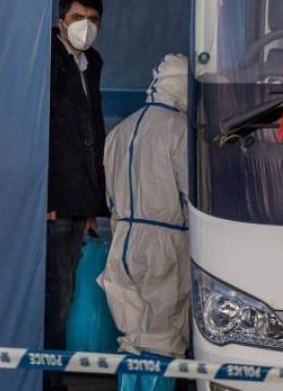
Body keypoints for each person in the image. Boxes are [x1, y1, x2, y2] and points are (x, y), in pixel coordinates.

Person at [98, 54, 190, 391]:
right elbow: (190, 195)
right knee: (162, 339)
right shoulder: (178, 131)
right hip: (164, 246)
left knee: (131, 338)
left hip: (121, 241)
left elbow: (107, 194)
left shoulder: (120, 131)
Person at [45, 0, 108, 391]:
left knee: (65, 296)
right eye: (77, 18)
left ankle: (55, 376)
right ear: (60, 22)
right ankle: (47, 381)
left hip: (78, 199)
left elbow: (93, 132)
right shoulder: (50, 62)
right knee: (53, 297)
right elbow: (44, 132)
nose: (85, 26)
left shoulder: (92, 63)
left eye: (94, 19)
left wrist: (91, 203)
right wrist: (47, 198)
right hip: (53, 202)